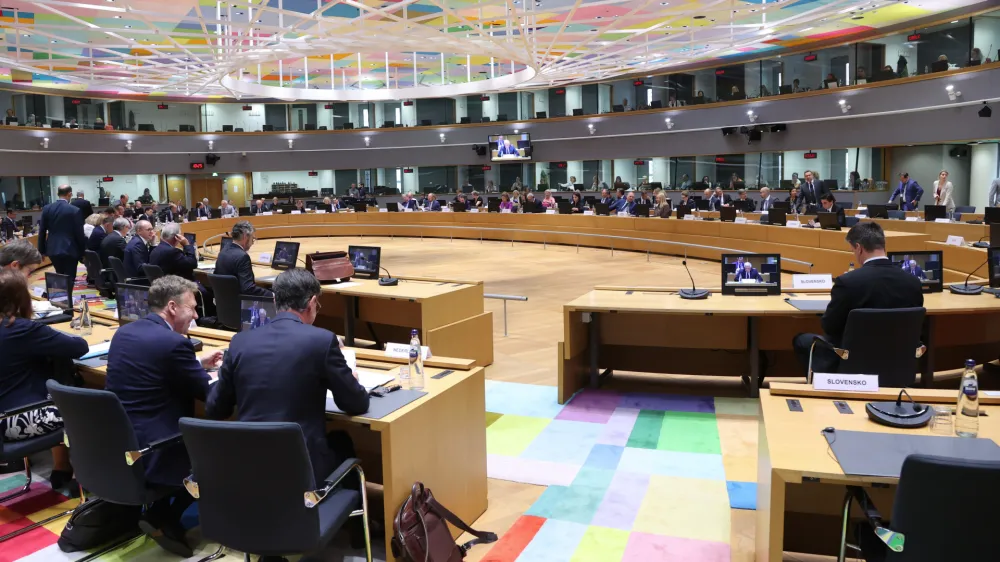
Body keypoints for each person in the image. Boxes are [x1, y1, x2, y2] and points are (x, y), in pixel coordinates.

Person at [207, 268, 369, 485]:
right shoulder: (322, 341)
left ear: (274, 300)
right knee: (342, 442)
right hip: (301, 470)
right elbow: (356, 403)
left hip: (249, 467)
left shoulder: (240, 342)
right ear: (312, 302)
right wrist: (352, 381)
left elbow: (215, 408)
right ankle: (347, 517)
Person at [105, 276, 223, 556]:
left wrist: (195, 363)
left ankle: (160, 514)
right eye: (192, 308)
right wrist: (229, 375)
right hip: (159, 445)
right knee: (221, 447)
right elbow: (212, 399)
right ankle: (166, 517)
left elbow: (154, 367)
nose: (196, 315)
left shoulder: (125, 332)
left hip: (121, 441)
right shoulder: (173, 343)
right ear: (172, 307)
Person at [792, 222, 923, 377]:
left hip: (852, 363)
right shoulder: (913, 282)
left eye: (853, 250)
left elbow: (830, 326)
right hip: (898, 364)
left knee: (801, 340)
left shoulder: (847, 282)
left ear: (859, 248)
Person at [0, 268, 87, 486]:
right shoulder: (21, 330)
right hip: (15, 420)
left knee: (54, 367)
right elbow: (79, 347)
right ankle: (88, 477)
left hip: (4, 416)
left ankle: (62, 466)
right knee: (93, 407)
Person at [38, 185, 86, 279]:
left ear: (57, 194)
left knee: (60, 275)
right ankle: (68, 294)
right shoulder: (75, 210)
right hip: (70, 249)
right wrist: (83, 252)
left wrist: (41, 251)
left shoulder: (47, 209)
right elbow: (79, 233)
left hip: (52, 248)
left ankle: (61, 293)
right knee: (70, 277)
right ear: (70, 194)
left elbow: (42, 231)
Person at [214, 221, 272, 298]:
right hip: (240, 304)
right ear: (245, 237)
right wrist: (272, 295)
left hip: (224, 303)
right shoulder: (243, 257)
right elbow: (248, 289)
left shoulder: (223, 251)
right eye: (252, 239)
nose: (252, 243)